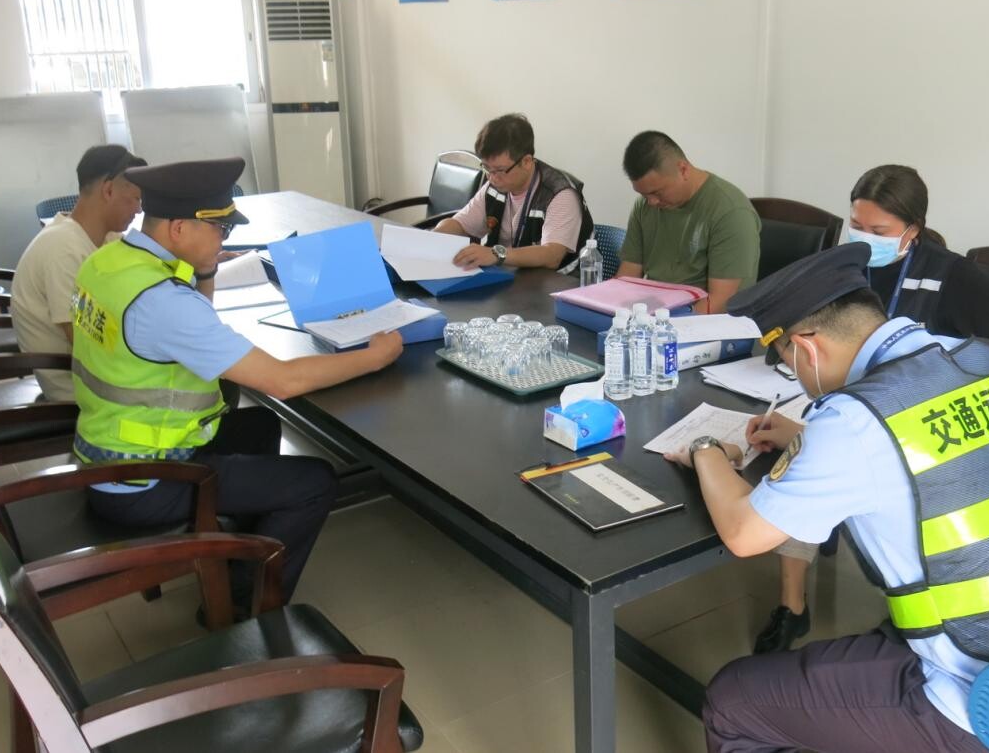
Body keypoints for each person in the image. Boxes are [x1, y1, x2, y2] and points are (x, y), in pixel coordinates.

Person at [665, 243, 989, 752]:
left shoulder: (852, 421)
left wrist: (705, 449)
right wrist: (807, 437)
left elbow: (744, 533)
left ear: (809, 349)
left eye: (790, 363)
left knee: (732, 700)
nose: (800, 378)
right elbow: (938, 447)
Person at [74, 157, 403, 615]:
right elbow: (283, 380)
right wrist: (374, 356)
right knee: (315, 481)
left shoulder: (109, 262)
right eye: (220, 229)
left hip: (104, 455)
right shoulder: (162, 302)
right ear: (178, 229)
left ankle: (237, 552)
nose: (224, 239)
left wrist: (206, 268)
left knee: (261, 426)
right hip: (146, 481)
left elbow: (187, 325)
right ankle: (242, 608)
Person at [759, 163, 989, 655]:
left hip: (919, 420)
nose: (864, 237)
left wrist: (983, 384)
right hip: (851, 405)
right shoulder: (843, 265)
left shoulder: (948, 272)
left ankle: (912, 612)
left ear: (912, 230)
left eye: (879, 230)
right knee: (804, 460)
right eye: (856, 224)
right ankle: (792, 605)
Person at [10, 144, 146, 400]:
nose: (139, 210)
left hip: (106, 375)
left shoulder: (105, 237)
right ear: (108, 190)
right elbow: (86, 344)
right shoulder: (64, 251)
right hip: (82, 393)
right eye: (136, 199)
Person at [617, 131, 760, 314]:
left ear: (683, 170)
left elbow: (721, 302)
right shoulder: (644, 206)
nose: (651, 202)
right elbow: (629, 274)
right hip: (655, 314)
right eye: (644, 195)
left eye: (657, 192)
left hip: (705, 322)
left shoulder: (730, 212)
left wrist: (662, 324)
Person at [434, 113, 594, 273]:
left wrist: (496, 254)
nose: (492, 177)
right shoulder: (495, 185)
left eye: (500, 170)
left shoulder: (559, 193)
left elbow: (552, 256)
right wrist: (431, 237)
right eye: (487, 168)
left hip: (557, 282)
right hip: (512, 278)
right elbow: (459, 224)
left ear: (526, 162)